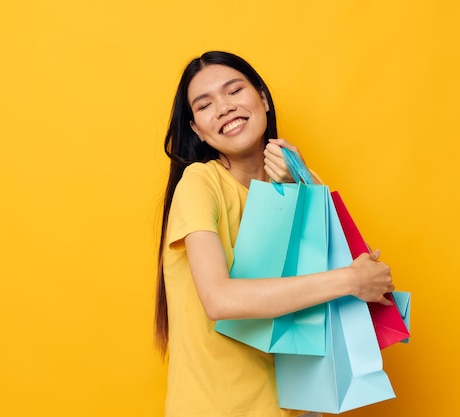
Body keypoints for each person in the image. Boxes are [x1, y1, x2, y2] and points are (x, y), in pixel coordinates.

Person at [154, 51, 395, 417]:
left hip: (300, 405)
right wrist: (349, 280)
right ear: (197, 130)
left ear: (263, 98)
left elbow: (363, 283)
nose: (224, 108)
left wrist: (307, 185)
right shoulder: (200, 184)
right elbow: (219, 300)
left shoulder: (300, 186)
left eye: (234, 91)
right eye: (205, 105)